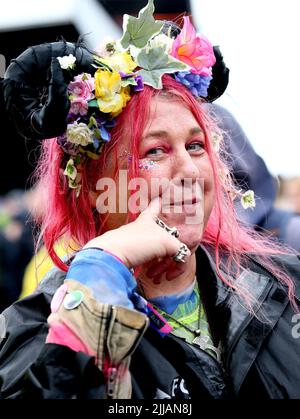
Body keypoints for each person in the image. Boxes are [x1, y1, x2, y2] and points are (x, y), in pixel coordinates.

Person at [0, 0, 300, 399]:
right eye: (154, 152)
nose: (190, 172)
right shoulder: (32, 328)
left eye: (196, 146)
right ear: (92, 184)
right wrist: (103, 269)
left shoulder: (283, 282)